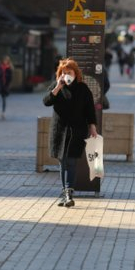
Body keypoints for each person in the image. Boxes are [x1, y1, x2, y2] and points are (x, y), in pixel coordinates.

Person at [43, 58, 98, 207]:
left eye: (69, 72)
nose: (66, 75)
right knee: (62, 162)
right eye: (63, 72)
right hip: (59, 130)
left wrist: (92, 126)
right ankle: (65, 192)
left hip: (76, 130)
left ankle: (68, 192)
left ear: (75, 73)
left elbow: (89, 110)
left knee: (72, 161)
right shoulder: (56, 87)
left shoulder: (82, 88)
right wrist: (58, 88)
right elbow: (46, 101)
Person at [0, 55, 13, 120]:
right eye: (4, 60)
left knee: (4, 99)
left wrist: (8, 85)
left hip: (5, 86)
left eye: (7, 60)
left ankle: (3, 112)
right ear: (2, 60)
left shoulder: (9, 68)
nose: (5, 61)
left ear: (8, 61)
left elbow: (10, 78)